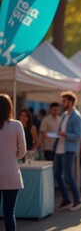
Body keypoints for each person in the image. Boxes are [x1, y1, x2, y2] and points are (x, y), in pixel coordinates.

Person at [53, 91, 81, 211]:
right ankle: (66, 200)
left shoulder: (76, 116)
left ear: (71, 102)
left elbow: (78, 135)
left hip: (68, 150)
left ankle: (77, 200)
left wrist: (65, 134)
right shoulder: (65, 115)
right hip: (59, 149)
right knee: (57, 175)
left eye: (64, 101)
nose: (62, 103)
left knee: (68, 175)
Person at [0, 94, 26, 231]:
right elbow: (22, 152)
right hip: (11, 172)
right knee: (9, 213)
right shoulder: (16, 125)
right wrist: (11, 156)